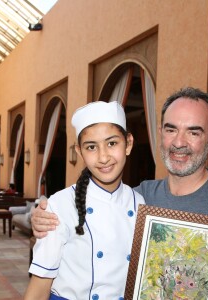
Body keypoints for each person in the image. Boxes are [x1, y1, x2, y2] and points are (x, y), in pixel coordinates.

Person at [31, 87, 208, 299]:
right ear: (160, 133)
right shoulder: (142, 196)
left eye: (193, 132)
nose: (179, 142)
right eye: (171, 129)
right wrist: (43, 216)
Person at [24, 101, 145, 299]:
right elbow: (39, 286)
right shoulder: (60, 205)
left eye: (112, 143)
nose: (103, 157)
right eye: (91, 147)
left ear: (128, 144)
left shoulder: (140, 203)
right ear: (79, 152)